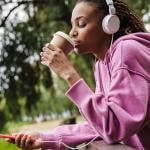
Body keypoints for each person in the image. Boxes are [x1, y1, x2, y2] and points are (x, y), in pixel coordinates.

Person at [9, 0, 150, 149]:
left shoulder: (127, 50)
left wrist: (68, 73)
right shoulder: (101, 66)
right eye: (72, 25)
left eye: (81, 24)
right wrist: (45, 138)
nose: (72, 33)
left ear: (109, 24)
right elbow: (100, 125)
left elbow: (114, 127)